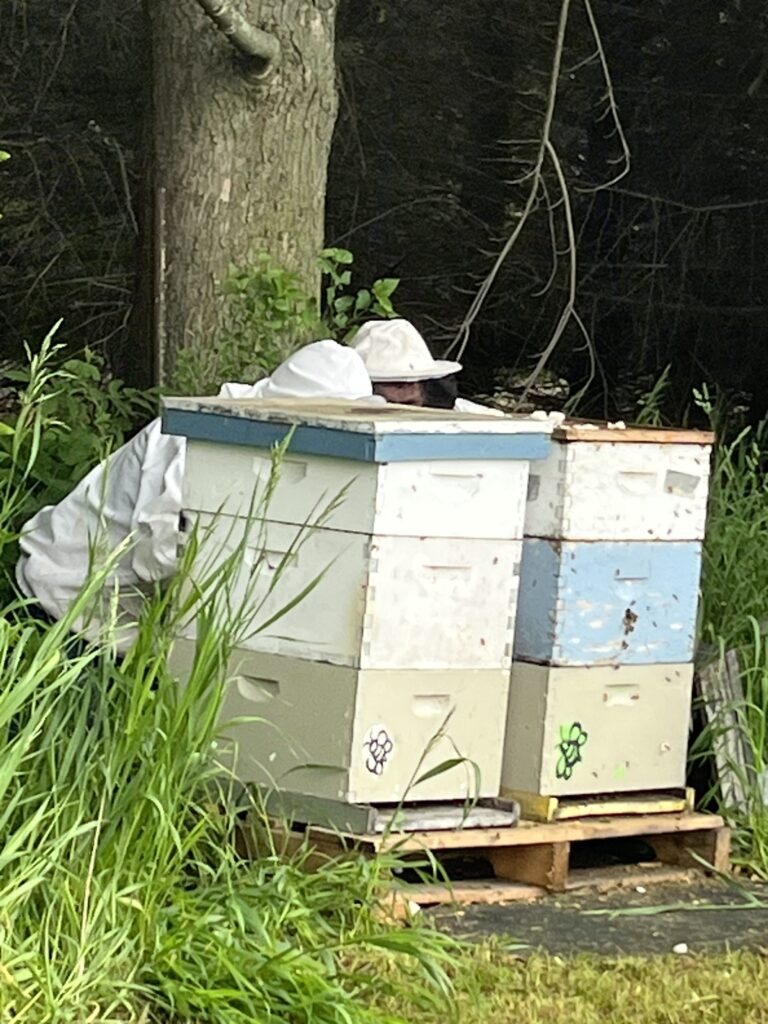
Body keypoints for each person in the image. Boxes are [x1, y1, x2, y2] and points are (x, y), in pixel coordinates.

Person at [15, 340, 375, 647]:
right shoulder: (194, 439)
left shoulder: (277, 446)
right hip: (67, 601)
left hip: (138, 622)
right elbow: (157, 556)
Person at [351, 318, 502, 415]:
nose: (407, 388)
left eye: (415, 379)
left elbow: (499, 422)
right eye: (394, 381)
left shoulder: (455, 412)